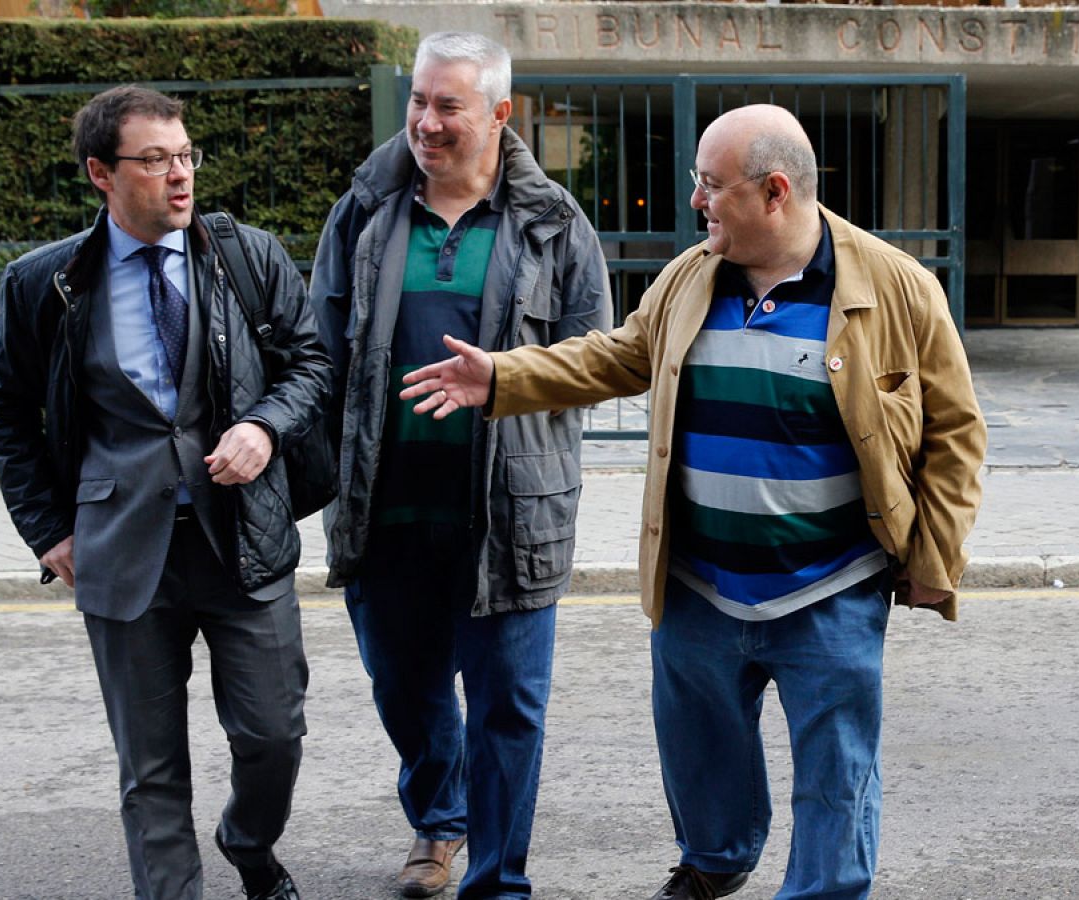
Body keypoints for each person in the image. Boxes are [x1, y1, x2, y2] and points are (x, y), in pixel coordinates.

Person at [400, 104, 986, 900]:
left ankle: (821, 892)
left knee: (835, 770)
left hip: (832, 582)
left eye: (711, 186)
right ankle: (715, 862)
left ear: (775, 190)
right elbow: (615, 356)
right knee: (699, 748)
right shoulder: (689, 277)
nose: (696, 202)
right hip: (700, 582)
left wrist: (935, 560)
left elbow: (955, 433)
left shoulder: (897, 289)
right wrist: (502, 377)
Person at [0, 85, 332, 900]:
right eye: (154, 160)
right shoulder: (45, 282)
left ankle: (249, 841)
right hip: (120, 550)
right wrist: (44, 529)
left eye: (185, 156)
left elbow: (312, 362)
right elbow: (1, 401)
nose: (180, 176)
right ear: (102, 173)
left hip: (242, 537)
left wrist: (266, 426)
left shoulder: (247, 255)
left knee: (273, 736)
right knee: (151, 769)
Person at [306, 31, 611, 900]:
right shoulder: (365, 210)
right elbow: (320, 352)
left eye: (449, 106)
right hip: (385, 506)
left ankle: (497, 878)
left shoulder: (555, 225)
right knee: (405, 691)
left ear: (500, 114)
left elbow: (595, 361)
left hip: (511, 514)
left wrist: (504, 380)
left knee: (510, 709)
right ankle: (438, 821)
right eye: (418, 102)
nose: (426, 123)